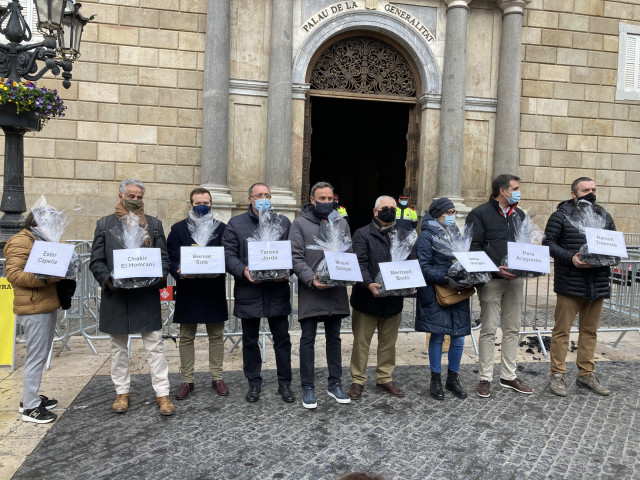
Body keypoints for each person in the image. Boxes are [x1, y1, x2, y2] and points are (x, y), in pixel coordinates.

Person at [89, 178, 175, 416]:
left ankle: (163, 393)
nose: (135, 200)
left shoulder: (154, 225)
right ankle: (122, 392)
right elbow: (96, 260)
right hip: (116, 295)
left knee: (155, 345)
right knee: (118, 348)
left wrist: (160, 276)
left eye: (139, 197)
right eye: (131, 196)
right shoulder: (105, 224)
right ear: (121, 197)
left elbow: (164, 258)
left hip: (145, 295)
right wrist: (107, 279)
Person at [222, 182, 294, 404]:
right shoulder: (236, 223)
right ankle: (254, 383)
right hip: (249, 291)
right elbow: (228, 254)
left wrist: (287, 271)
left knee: (282, 339)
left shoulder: (283, 222)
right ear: (250, 199)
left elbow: (293, 251)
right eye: (259, 195)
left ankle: (285, 383)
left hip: (277, 291)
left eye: (268, 195)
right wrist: (242, 270)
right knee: (250, 340)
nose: (264, 198)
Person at [542, 177, 615, 397]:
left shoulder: (603, 215)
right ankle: (557, 375)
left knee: (590, 331)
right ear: (574, 193)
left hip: (597, 283)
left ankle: (586, 373)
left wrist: (614, 256)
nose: (591, 193)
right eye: (585, 190)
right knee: (562, 331)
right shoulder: (560, 215)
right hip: (570, 283)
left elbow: (613, 242)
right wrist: (570, 258)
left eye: (593, 189)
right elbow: (548, 244)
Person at [466, 174, 531, 398]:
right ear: (502, 191)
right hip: (492, 280)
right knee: (489, 330)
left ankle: (508, 375)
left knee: (513, 329)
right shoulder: (479, 214)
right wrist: (494, 268)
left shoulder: (520, 215)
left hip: (515, 281)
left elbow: (525, 246)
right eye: (515, 188)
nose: (518, 192)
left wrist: (528, 265)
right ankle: (485, 378)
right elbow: (473, 248)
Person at [5, 209, 71, 423]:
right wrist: (45, 278)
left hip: (45, 303)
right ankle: (30, 408)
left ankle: (30, 397)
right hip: (33, 306)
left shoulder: (39, 240)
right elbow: (14, 275)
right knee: (35, 356)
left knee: (40, 354)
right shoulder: (21, 241)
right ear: (39, 223)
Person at [289, 181, 351, 409]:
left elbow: (349, 252)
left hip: (336, 291)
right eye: (321, 199)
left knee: (334, 339)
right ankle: (308, 386)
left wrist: (346, 274)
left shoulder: (341, 223)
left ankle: (334, 383)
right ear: (312, 200)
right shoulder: (299, 224)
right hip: (312, 290)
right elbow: (295, 257)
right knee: (308, 339)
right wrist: (311, 278)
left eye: (329, 199)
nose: (326, 202)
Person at [167, 187, 229, 400]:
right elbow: (171, 258)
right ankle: (187, 380)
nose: (202, 206)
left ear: (211, 204)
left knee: (216, 335)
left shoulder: (222, 228)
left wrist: (219, 268)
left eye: (207, 203)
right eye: (198, 203)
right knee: (186, 336)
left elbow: (228, 254)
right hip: (188, 289)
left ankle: (218, 377)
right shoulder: (178, 229)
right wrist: (178, 270)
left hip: (213, 288)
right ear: (190, 205)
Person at [348, 195, 410, 400]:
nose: (390, 211)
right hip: (367, 298)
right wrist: (368, 284)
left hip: (393, 299)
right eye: (385, 208)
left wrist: (409, 283)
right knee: (361, 342)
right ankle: (357, 380)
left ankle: (385, 377)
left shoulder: (404, 234)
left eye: (393, 208)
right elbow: (360, 263)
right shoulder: (362, 233)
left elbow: (410, 263)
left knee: (388, 342)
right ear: (375, 211)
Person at [415, 198, 470, 401]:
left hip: (458, 290)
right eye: (449, 211)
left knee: (458, 335)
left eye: (454, 211)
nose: (452, 214)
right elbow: (423, 266)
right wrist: (447, 276)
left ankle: (453, 378)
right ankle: (435, 378)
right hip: (437, 291)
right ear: (438, 213)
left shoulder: (456, 234)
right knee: (437, 335)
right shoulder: (426, 236)